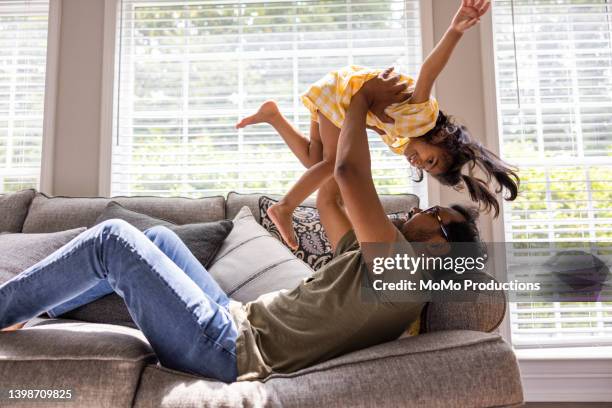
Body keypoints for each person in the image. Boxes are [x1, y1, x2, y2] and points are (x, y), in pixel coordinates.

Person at [0, 71, 485, 383]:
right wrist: (372, 127)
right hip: (233, 317)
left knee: (113, 240)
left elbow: (348, 175)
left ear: (443, 248)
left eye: (436, 215)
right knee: (160, 240)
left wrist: (360, 102)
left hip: (228, 349)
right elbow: (332, 193)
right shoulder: (376, 263)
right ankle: (36, 308)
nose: (420, 211)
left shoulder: (402, 272)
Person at [236, 0, 518, 249]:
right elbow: (428, 72)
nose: (419, 164)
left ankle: (273, 116)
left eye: (426, 168)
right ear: (439, 139)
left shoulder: (402, 138)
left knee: (316, 161)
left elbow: (364, 126)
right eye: (430, 160)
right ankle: (284, 207)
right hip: (344, 95)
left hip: (340, 97)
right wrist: (455, 31)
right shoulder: (421, 117)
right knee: (332, 163)